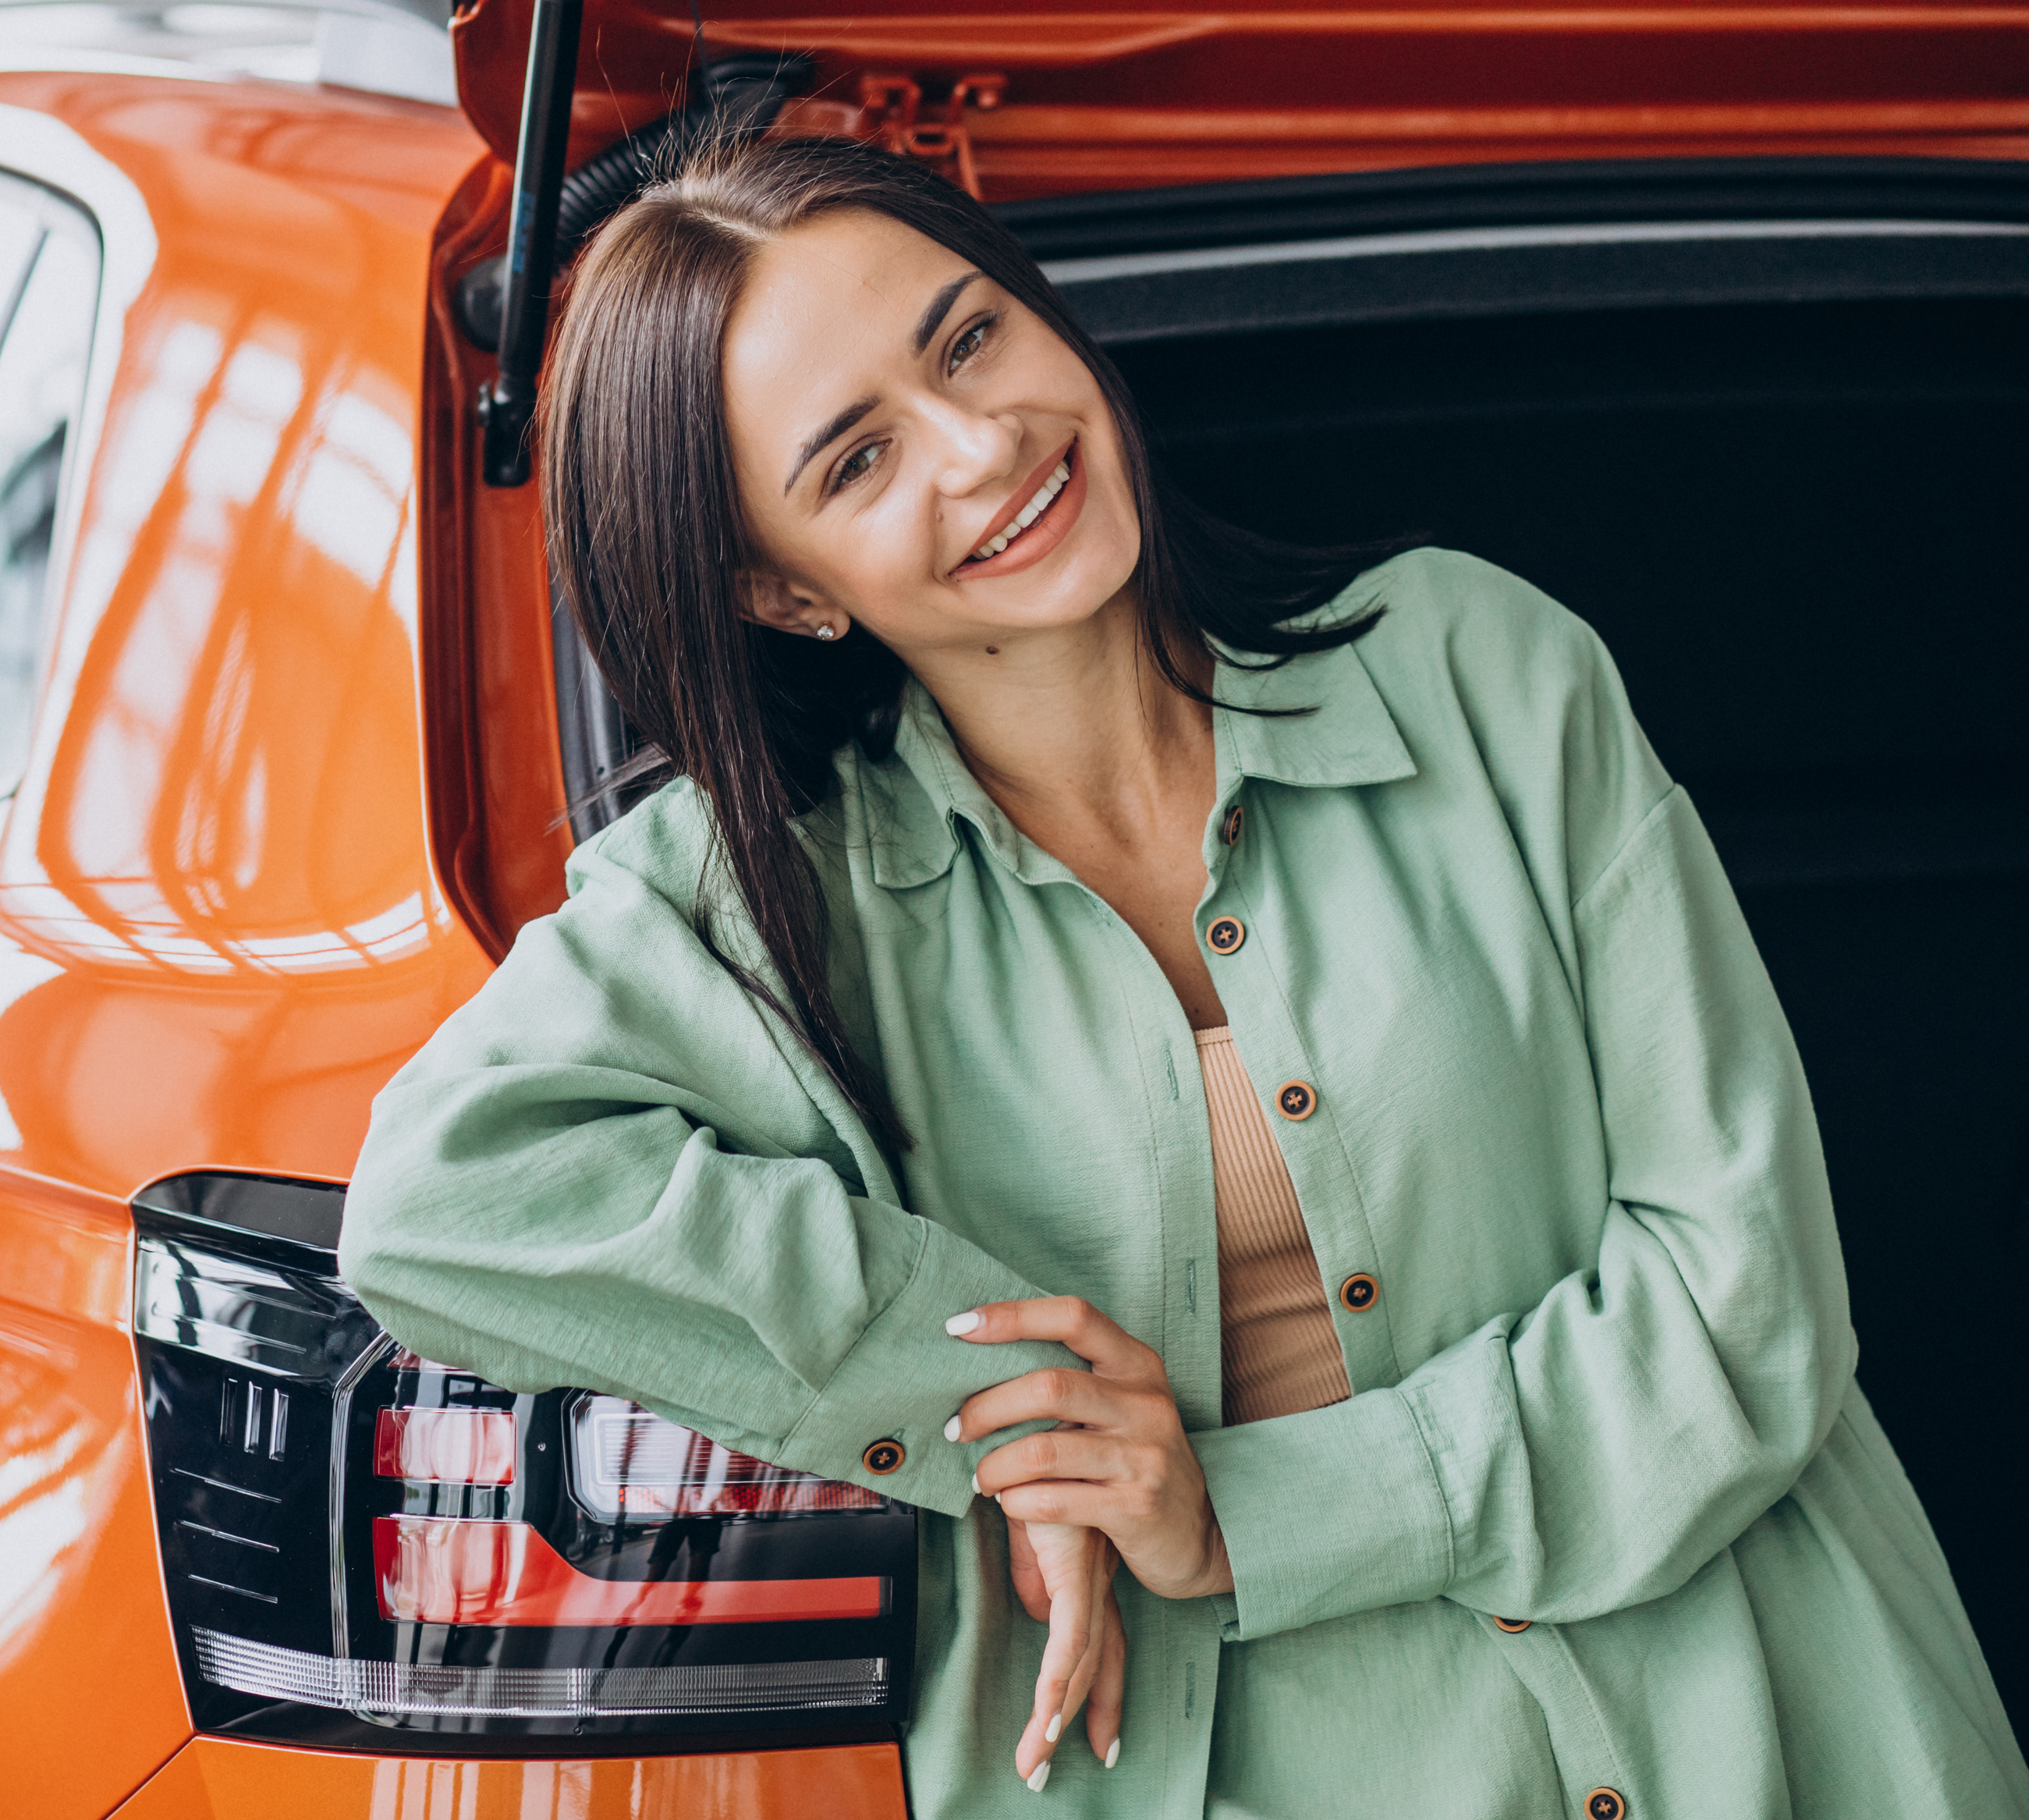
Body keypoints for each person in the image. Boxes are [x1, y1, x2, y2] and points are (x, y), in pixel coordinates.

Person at [340, 133, 2027, 1818]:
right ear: (782, 589)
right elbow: (439, 1196)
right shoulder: (771, 902)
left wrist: (1238, 1513)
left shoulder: (1478, 671)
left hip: (1783, 1719)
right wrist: (1000, 1398)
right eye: (857, 462)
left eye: (969, 338)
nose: (982, 442)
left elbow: (1746, 1300)